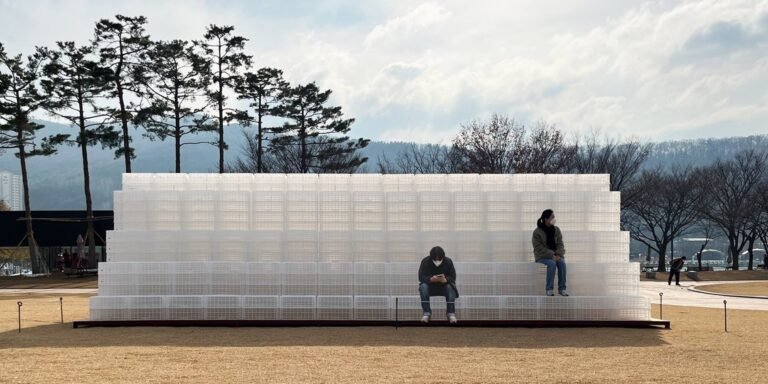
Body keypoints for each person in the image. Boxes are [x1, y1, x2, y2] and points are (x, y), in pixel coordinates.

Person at [418, 246, 459, 324]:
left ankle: (451, 313)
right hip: (430, 287)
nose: (437, 260)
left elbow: (453, 277)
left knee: (450, 287)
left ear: (443, 256)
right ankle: (426, 313)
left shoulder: (448, 261)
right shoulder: (425, 261)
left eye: (439, 258)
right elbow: (421, 277)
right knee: (423, 287)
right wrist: (430, 279)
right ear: (431, 256)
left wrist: (445, 279)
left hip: (444, 287)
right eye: (435, 258)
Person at [532, 209, 568, 296]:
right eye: (552, 217)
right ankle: (549, 289)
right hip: (542, 256)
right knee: (552, 263)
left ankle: (562, 289)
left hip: (556, 255)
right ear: (546, 219)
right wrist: (551, 255)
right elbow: (538, 247)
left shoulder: (556, 230)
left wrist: (558, 254)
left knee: (562, 263)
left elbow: (560, 244)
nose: (554, 219)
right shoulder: (537, 232)